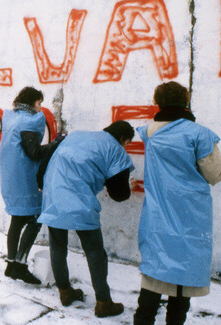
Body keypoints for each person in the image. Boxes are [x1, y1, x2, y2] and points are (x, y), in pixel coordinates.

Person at [133, 81, 221, 325]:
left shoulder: (150, 133)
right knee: (183, 283)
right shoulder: (199, 134)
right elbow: (215, 175)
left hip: (158, 218)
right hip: (190, 219)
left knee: (154, 278)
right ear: (185, 101)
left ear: (159, 102)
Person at [38, 121, 135, 318]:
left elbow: (49, 154)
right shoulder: (115, 149)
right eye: (127, 143)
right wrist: (128, 185)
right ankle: (103, 302)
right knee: (94, 251)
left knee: (57, 246)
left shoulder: (77, 134)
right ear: (124, 139)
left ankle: (65, 292)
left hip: (54, 193)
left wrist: (40, 181)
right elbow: (119, 194)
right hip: (80, 200)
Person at [0, 86, 61, 285]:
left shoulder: (12, 118)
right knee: (35, 219)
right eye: (39, 103)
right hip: (24, 179)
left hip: (10, 177)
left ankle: (10, 265)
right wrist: (57, 142)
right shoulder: (29, 121)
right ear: (32, 102)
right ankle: (20, 265)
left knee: (17, 220)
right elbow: (34, 152)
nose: (40, 108)